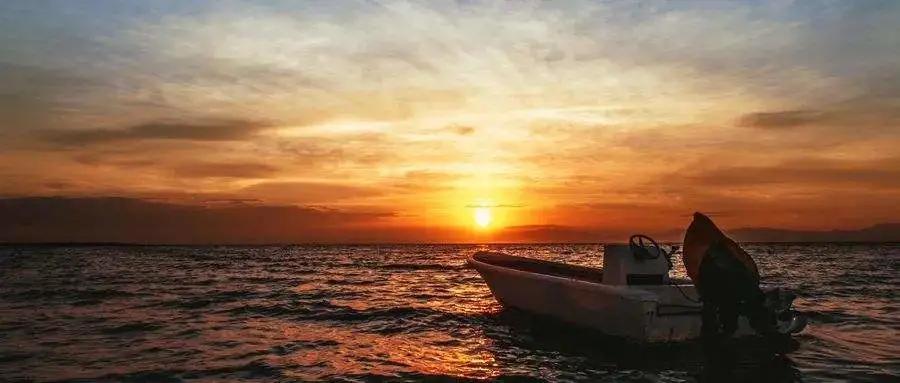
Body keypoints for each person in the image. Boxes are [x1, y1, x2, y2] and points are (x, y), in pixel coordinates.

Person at [682, 212, 776, 338]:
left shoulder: (718, 255)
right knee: (724, 312)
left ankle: (761, 329)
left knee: (732, 310)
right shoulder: (715, 255)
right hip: (724, 293)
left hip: (729, 292)